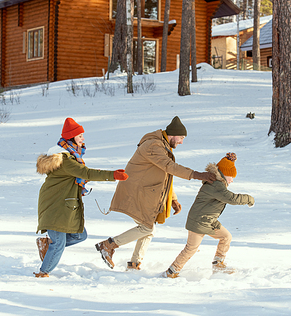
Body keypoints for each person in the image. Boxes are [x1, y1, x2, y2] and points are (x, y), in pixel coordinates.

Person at [95, 116, 216, 271]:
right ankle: (108, 245)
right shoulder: (153, 145)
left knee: (147, 228)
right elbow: (169, 166)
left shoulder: (163, 145)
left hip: (144, 191)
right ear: (172, 135)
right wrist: (197, 175)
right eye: (181, 138)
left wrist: (173, 199)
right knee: (147, 228)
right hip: (136, 191)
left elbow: (164, 174)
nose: (181, 142)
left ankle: (134, 264)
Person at [33, 117, 129, 278]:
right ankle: (43, 273)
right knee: (59, 244)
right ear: (71, 138)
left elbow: (82, 174)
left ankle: (47, 246)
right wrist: (112, 175)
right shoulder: (65, 161)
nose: (83, 139)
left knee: (80, 235)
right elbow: (86, 173)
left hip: (62, 204)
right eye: (80, 136)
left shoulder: (69, 158)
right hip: (56, 205)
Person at [163, 152, 255, 278]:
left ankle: (218, 263)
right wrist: (249, 199)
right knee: (191, 249)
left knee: (226, 237)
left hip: (209, 221)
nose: (232, 180)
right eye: (231, 176)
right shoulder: (216, 185)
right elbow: (232, 198)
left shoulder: (218, 184)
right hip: (199, 222)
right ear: (224, 174)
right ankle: (172, 271)